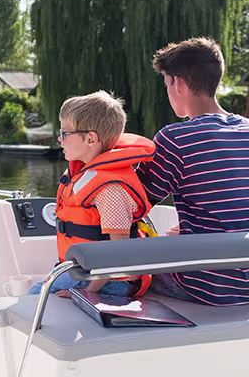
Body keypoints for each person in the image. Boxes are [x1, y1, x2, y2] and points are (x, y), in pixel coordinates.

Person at [137, 37, 249, 305]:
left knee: (125, 276)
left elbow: (134, 203)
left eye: (166, 84)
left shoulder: (175, 139)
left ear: (178, 83)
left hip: (208, 289)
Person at [27, 91, 155, 297]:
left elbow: (119, 251)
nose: (59, 139)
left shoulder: (110, 190)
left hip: (110, 283)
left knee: (35, 293)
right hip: (86, 272)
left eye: (65, 133)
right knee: (40, 288)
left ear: (90, 139)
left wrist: (86, 293)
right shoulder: (86, 175)